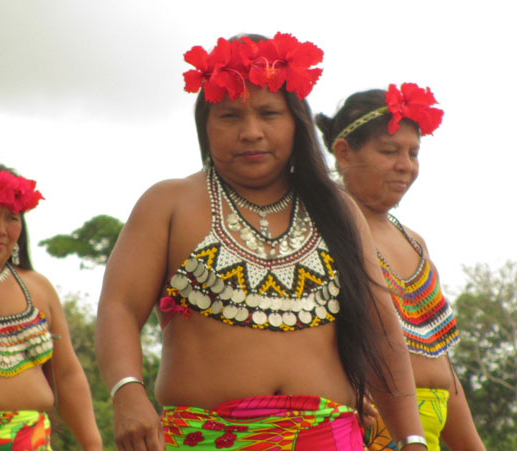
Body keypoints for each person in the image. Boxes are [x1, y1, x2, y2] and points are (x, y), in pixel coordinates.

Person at [96, 33, 428, 450]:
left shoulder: (337, 210)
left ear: (296, 122)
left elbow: (382, 332)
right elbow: (119, 307)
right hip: (204, 439)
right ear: (206, 125)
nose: (251, 132)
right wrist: (127, 392)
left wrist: (412, 438)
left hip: (329, 436)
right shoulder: (169, 203)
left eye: (269, 113)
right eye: (230, 116)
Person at [316, 83, 485, 450]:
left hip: (427, 435)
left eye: (413, 152)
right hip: (364, 426)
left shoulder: (414, 243)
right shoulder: (322, 231)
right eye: (389, 150)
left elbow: (437, 358)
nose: (405, 165)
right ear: (343, 152)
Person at [0, 161, 102, 450]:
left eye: (12, 218)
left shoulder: (39, 288)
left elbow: (66, 376)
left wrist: (93, 445)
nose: (1, 229)